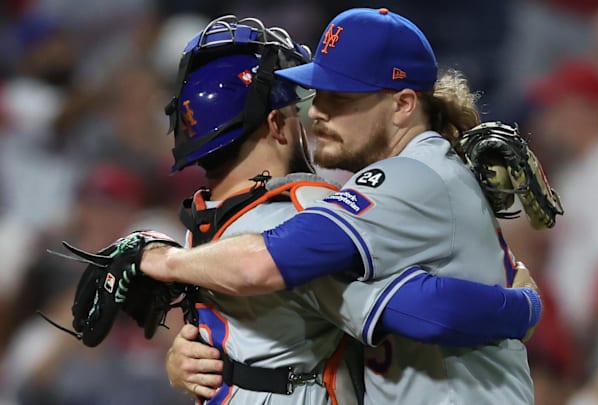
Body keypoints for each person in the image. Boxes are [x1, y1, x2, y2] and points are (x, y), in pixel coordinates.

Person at [144, 8, 538, 404]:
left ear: (403, 104)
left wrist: (163, 261)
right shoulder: (419, 173)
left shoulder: (410, 175)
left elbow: (262, 261)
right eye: (319, 93)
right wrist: (200, 355)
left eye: (341, 97)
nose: (316, 111)